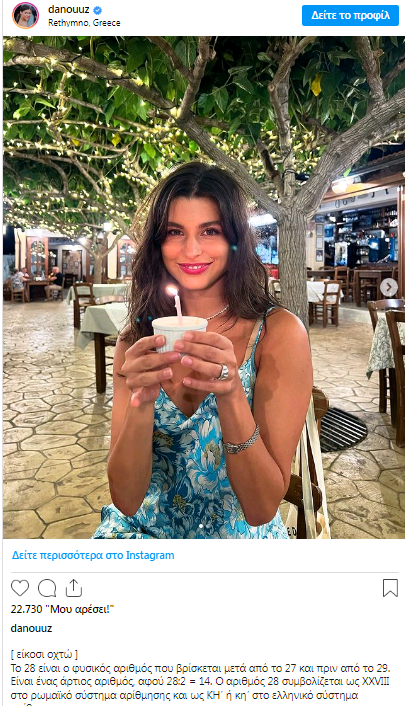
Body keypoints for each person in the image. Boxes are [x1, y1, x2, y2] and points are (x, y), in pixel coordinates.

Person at [93, 162, 312, 539]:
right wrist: (142, 401)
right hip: (144, 537)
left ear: (234, 239)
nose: (191, 250)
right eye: (175, 232)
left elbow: (261, 509)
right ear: (158, 243)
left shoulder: (278, 334)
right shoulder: (137, 341)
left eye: (210, 231)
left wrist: (231, 394)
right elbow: (126, 500)